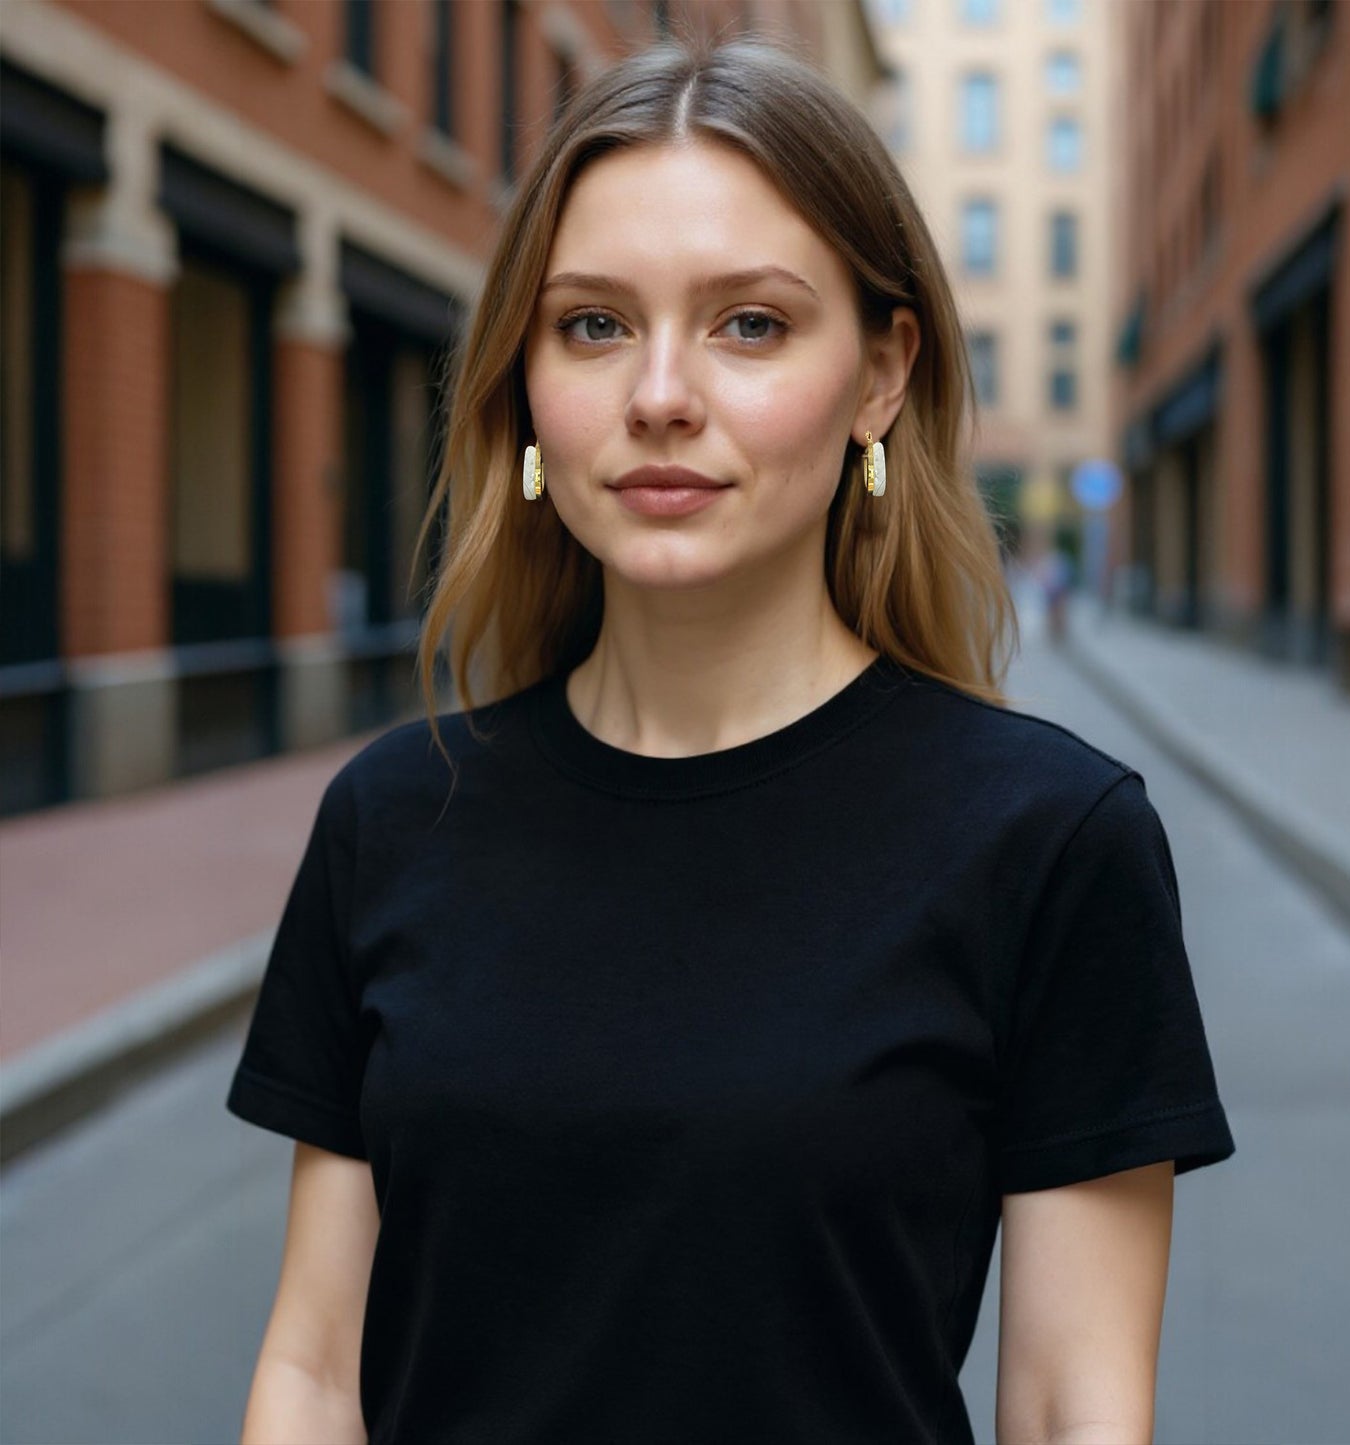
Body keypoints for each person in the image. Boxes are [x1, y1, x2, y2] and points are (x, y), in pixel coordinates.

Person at [226, 31, 1235, 1445]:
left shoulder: (1046, 839)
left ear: (882, 374)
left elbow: (1076, 1407)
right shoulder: (394, 815)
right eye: (592, 324)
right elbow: (313, 1368)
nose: (658, 395)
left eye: (747, 322)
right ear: (526, 380)